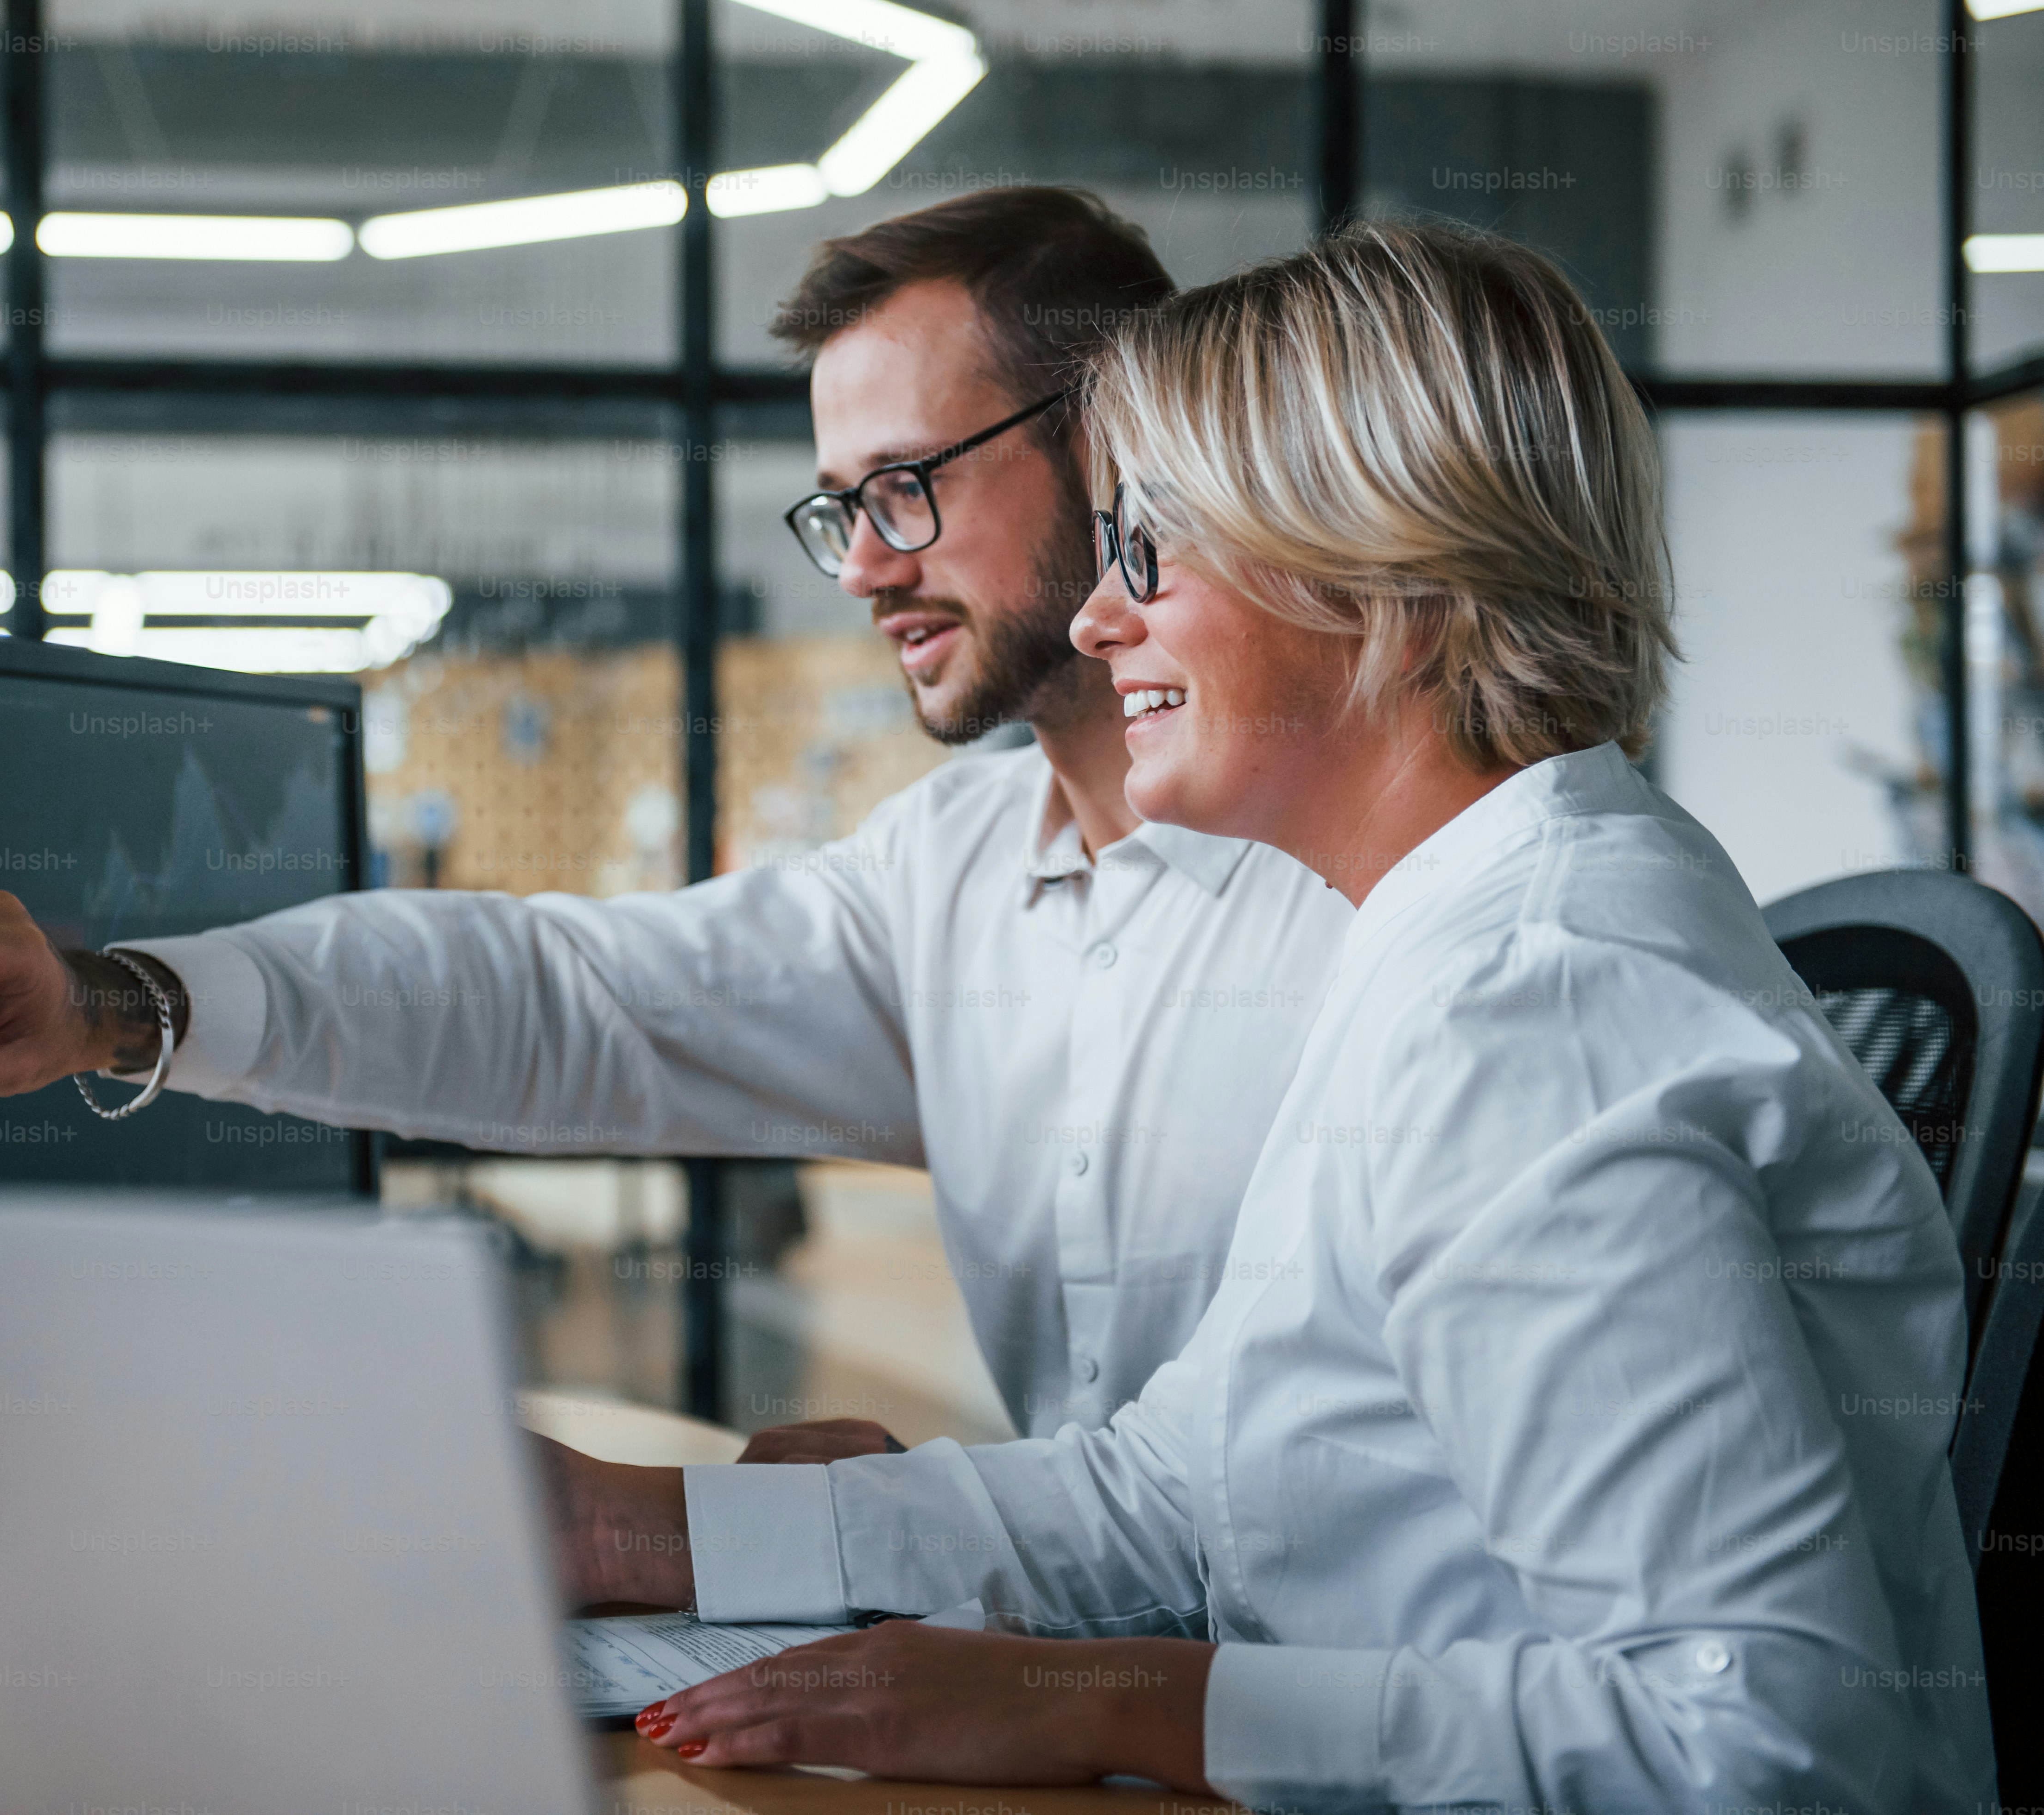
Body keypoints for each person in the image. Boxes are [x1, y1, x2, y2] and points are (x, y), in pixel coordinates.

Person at [551, 220, 1993, 1810]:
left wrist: (1118, 1709)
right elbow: (1178, 1489)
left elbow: (1767, 1750)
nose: (1097, 624)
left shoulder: (1538, 1001)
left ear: (1380, 564)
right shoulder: (1434, 937)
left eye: (1150, 551)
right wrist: (644, 1531)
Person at [0, 188, 1353, 1454]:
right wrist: (116, 1005)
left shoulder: (1369, 886)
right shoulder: (948, 872)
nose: (860, 568)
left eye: (904, 486)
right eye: (840, 508)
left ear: (1112, 449)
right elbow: (567, 996)